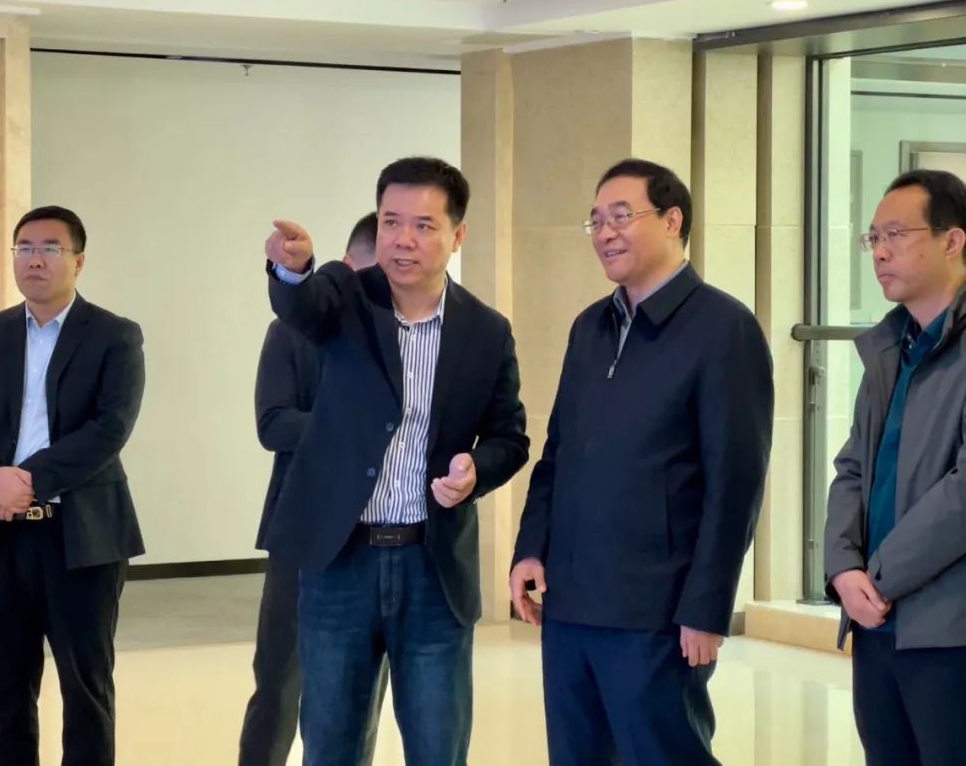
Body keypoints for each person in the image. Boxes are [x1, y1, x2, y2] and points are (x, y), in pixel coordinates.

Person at [263, 156, 529, 766]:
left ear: (457, 236)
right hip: (341, 561)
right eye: (390, 222)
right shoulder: (344, 297)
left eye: (424, 225)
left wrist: (476, 471)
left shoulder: (486, 331)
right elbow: (300, 306)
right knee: (331, 744)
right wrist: (293, 269)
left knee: (437, 747)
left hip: (433, 568)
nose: (403, 239)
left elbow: (509, 436)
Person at [510, 158, 773, 766]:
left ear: (673, 221)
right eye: (596, 220)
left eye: (621, 216)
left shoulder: (724, 328)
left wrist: (707, 608)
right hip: (570, 604)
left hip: (657, 611)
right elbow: (557, 452)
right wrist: (531, 547)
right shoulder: (590, 327)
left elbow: (735, 484)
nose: (605, 232)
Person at [0, 205, 146, 766]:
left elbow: (110, 427)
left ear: (78, 261)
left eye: (51, 248)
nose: (35, 259)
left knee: (87, 691)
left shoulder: (115, 335)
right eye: (25, 247)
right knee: (5, 691)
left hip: (81, 538)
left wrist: (27, 481)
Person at [824, 169, 966, 766]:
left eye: (896, 235)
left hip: (948, 630)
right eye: (873, 238)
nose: (880, 252)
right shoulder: (889, 347)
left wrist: (877, 578)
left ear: (952, 240)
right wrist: (841, 567)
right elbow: (853, 466)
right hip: (876, 623)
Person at [240, 213, 387, 766]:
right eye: (372, 276)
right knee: (279, 679)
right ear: (346, 267)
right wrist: (356, 428)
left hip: (383, 533)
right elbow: (273, 424)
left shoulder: (407, 336)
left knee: (360, 692)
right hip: (302, 531)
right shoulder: (291, 332)